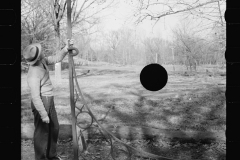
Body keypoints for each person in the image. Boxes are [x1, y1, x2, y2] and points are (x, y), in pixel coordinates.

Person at [23, 39, 73, 160]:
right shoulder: (33, 73)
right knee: (42, 133)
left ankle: (52, 156)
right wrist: (44, 114)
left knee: (54, 127)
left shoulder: (42, 61)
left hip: (49, 100)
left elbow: (56, 58)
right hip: (41, 103)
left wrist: (66, 48)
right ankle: (40, 158)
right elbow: (35, 97)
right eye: (40, 51)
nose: (42, 52)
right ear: (38, 56)